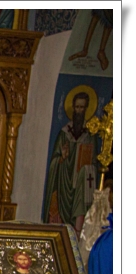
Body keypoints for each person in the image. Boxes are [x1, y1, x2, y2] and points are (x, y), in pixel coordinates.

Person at [42, 91, 97, 232]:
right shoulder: (64, 133)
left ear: (86, 109)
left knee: (81, 203)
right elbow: (54, 161)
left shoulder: (90, 135)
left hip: (80, 184)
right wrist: (62, 158)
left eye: (82, 107)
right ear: (73, 108)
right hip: (64, 182)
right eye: (77, 107)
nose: (79, 111)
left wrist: (88, 167)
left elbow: (94, 163)